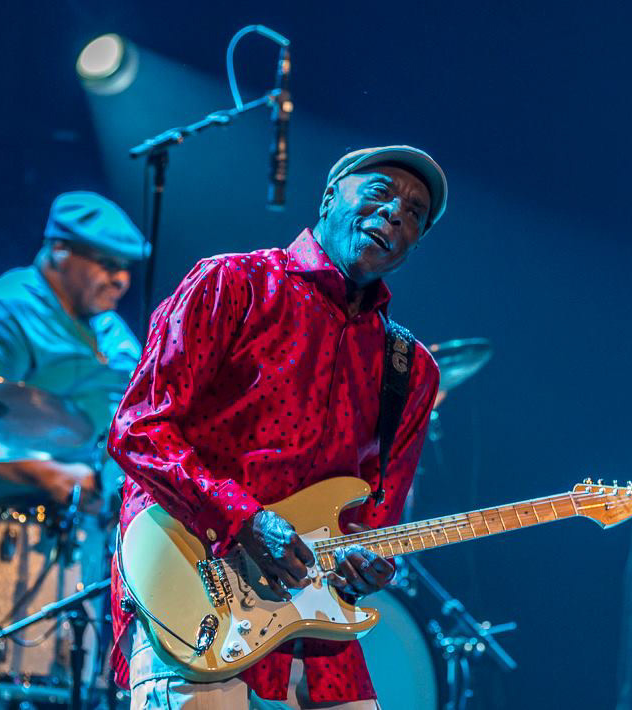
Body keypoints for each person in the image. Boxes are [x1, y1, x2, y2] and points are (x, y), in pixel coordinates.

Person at [107, 146, 447, 708]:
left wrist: (370, 563)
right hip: (197, 584)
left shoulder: (408, 371)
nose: (396, 215)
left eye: (415, 214)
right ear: (330, 196)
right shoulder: (231, 284)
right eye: (382, 191)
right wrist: (245, 518)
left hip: (315, 628)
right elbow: (139, 429)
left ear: (412, 247)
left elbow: (373, 518)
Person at [0, 190, 149, 512]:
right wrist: (49, 474)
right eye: (108, 264)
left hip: (90, 527)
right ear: (59, 250)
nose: (122, 280)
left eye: (126, 267)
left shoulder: (106, 325)